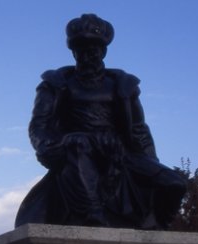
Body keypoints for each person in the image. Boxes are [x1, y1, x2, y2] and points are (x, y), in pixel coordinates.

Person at [15, 14, 186, 229]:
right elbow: (39, 127)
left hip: (120, 152)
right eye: (82, 50)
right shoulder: (56, 84)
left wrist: (150, 162)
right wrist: (59, 145)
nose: (88, 56)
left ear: (103, 51)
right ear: (74, 52)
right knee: (79, 146)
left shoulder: (123, 85)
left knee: (175, 184)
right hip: (78, 151)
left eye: (93, 50)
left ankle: (155, 228)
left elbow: (139, 130)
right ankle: (93, 215)